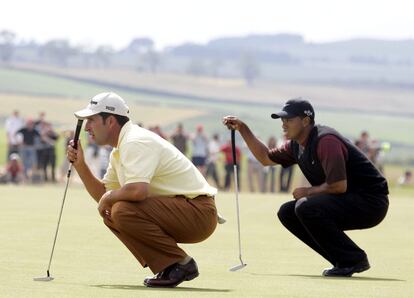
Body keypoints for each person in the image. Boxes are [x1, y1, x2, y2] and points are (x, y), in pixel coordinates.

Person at [223, 98, 389, 277]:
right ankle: (344, 260)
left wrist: (308, 191)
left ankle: (353, 259)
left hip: (371, 202)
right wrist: (242, 128)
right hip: (349, 199)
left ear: (305, 121)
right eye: (282, 120)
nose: (283, 125)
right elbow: (265, 158)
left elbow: (339, 185)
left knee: (305, 206)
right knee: (288, 212)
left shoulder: (326, 141)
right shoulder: (297, 145)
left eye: (289, 120)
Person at [67, 92, 218, 288]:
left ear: (110, 121)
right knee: (113, 210)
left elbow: (138, 191)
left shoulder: (135, 141)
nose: (87, 127)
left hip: (199, 213)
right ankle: (171, 266)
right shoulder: (120, 148)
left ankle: (181, 264)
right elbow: (104, 195)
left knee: (121, 210)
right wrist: (81, 165)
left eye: (92, 120)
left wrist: (109, 197)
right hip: (186, 211)